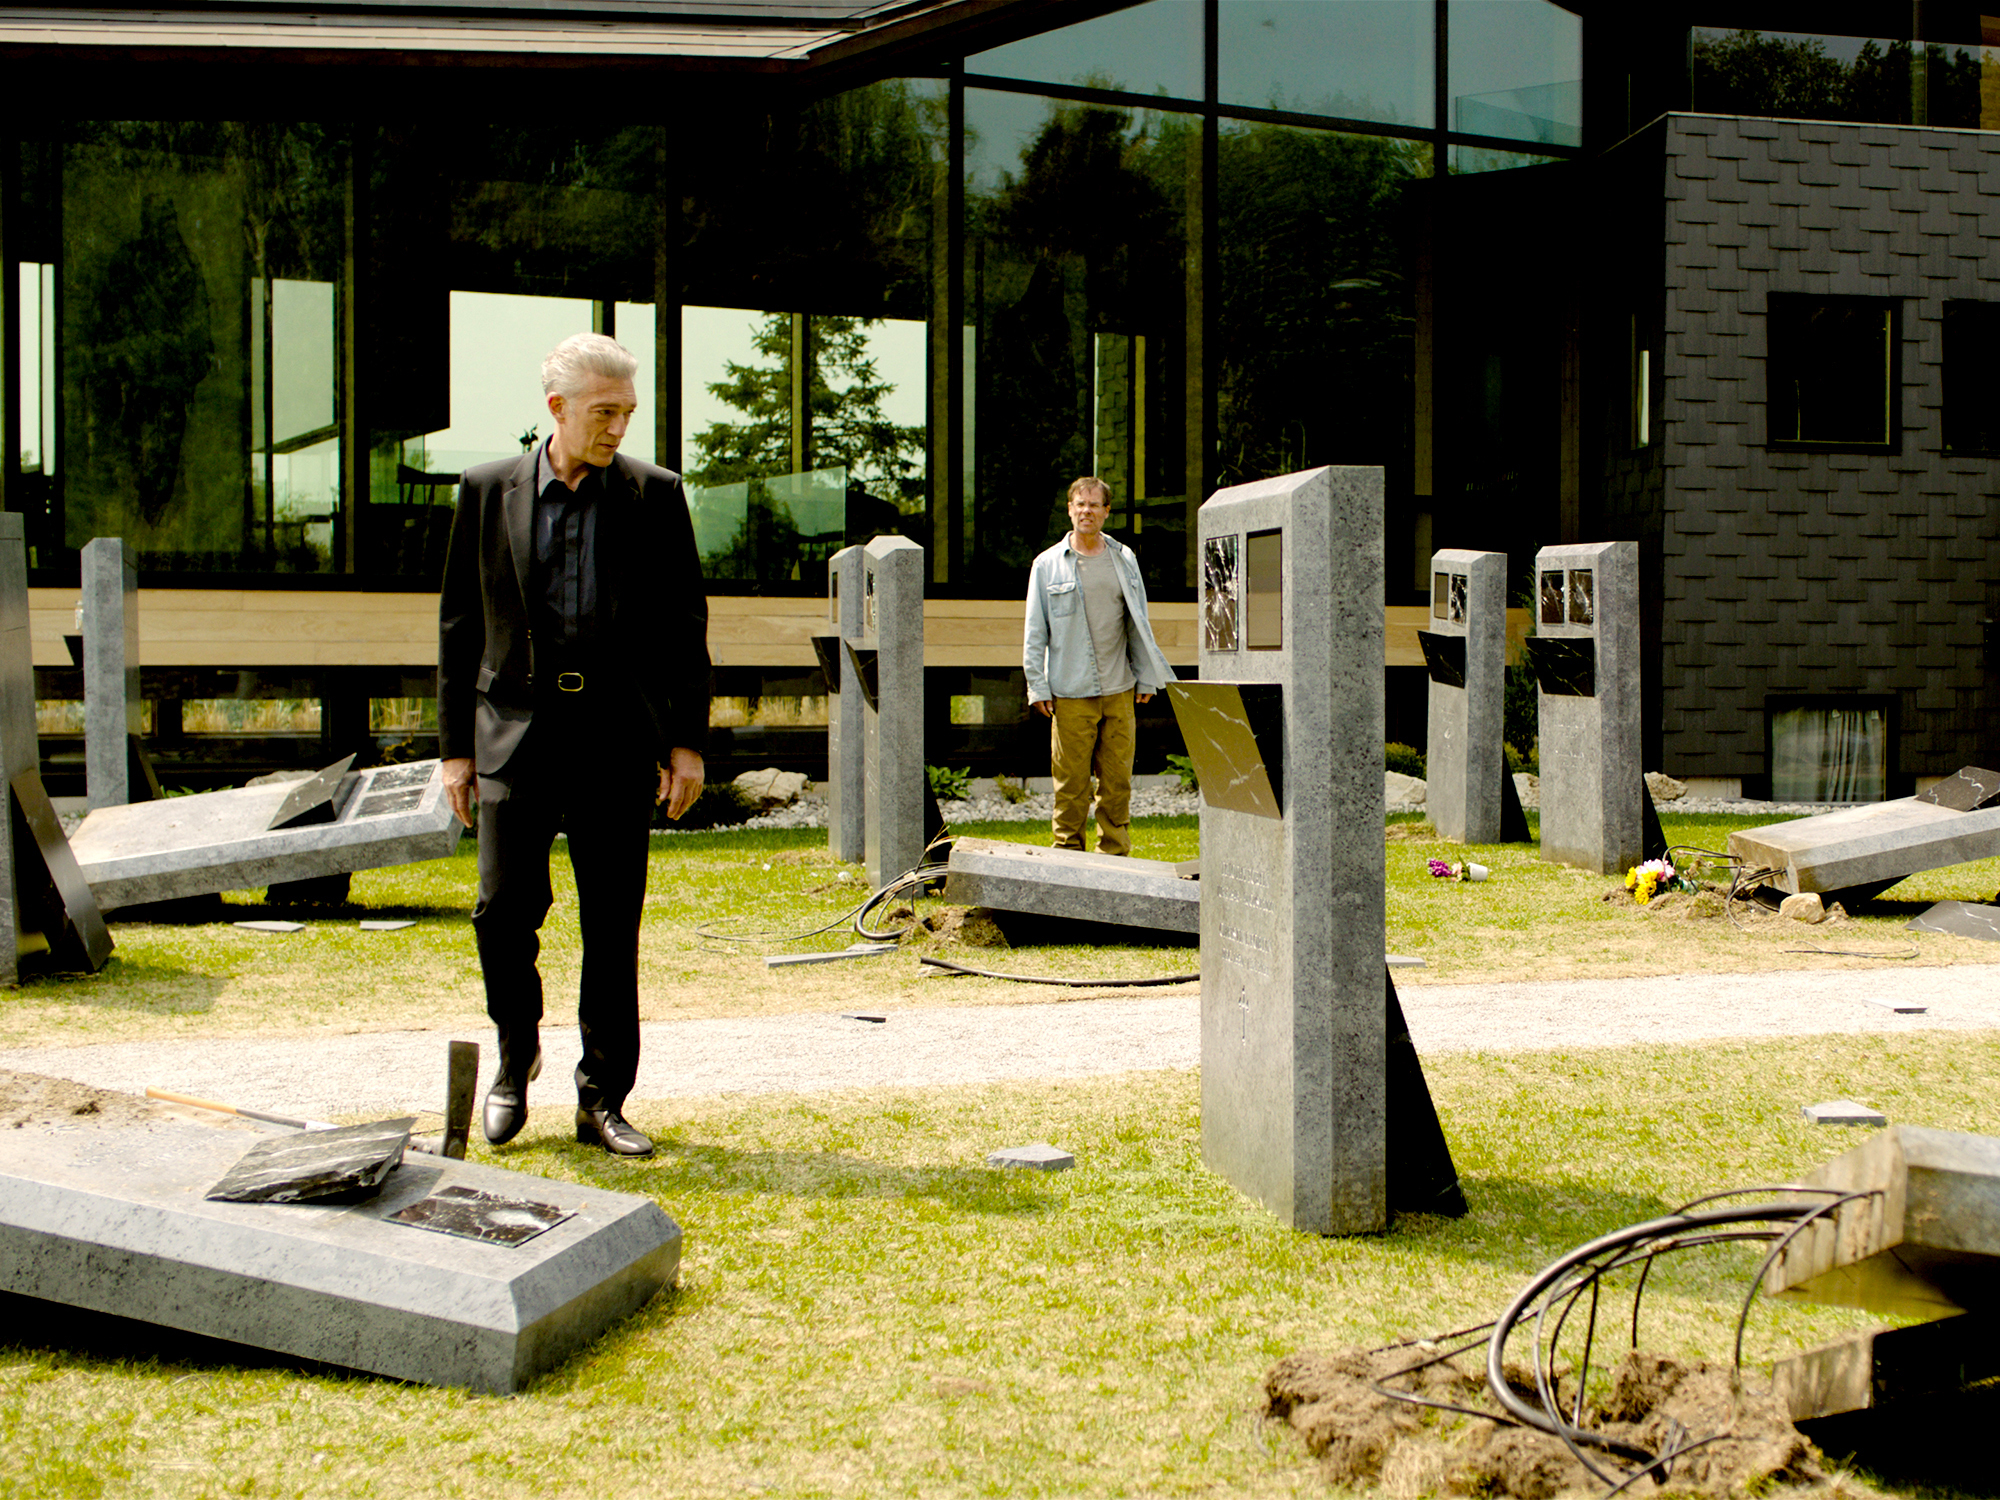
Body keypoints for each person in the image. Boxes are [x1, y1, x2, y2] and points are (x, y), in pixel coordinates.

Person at [437, 332, 709, 1158]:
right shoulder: (485, 491)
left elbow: (683, 628)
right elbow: (457, 626)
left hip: (615, 738)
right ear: (556, 408)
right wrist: (455, 750)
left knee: (611, 924)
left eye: (627, 413)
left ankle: (602, 1101)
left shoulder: (655, 496)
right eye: (604, 412)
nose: (618, 427)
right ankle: (515, 1061)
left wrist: (687, 744)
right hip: (512, 738)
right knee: (501, 912)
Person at [1023, 476, 1177, 856]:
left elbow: (1137, 621)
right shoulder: (1046, 565)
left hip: (1119, 690)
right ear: (1070, 509)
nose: (1086, 511)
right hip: (1070, 692)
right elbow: (1034, 631)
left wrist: (1145, 677)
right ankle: (1068, 860)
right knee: (1071, 786)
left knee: (1117, 782)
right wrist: (1037, 685)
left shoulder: (1124, 559)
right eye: (1080, 504)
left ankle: (1116, 860)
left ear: (1107, 511)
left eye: (1094, 504)